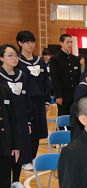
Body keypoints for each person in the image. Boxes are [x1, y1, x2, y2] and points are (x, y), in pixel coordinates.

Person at [16, 30, 50, 170]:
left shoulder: (40, 61)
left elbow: (46, 82)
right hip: (24, 101)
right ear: (20, 43)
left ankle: (33, 158)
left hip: (39, 100)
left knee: (37, 130)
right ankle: (25, 159)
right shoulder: (17, 61)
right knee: (25, 130)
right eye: (27, 42)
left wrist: (46, 100)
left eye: (32, 42)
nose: (30, 45)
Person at [0, 44, 31, 188]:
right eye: (10, 55)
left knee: (20, 148)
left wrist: (29, 120)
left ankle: (16, 181)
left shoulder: (22, 75)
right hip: (5, 121)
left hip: (21, 118)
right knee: (7, 150)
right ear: (1, 58)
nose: (14, 58)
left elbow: (27, 99)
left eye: (16, 55)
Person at [0, 83, 19, 188]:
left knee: (4, 181)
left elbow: (13, 119)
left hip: (4, 143)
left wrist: (16, 145)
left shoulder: (5, 89)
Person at [50, 34, 80, 116]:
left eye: (71, 42)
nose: (70, 44)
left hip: (74, 95)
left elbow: (78, 77)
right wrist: (58, 95)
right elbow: (55, 79)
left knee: (75, 116)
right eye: (67, 42)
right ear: (61, 43)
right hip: (63, 95)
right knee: (64, 115)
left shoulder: (75, 59)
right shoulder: (55, 59)